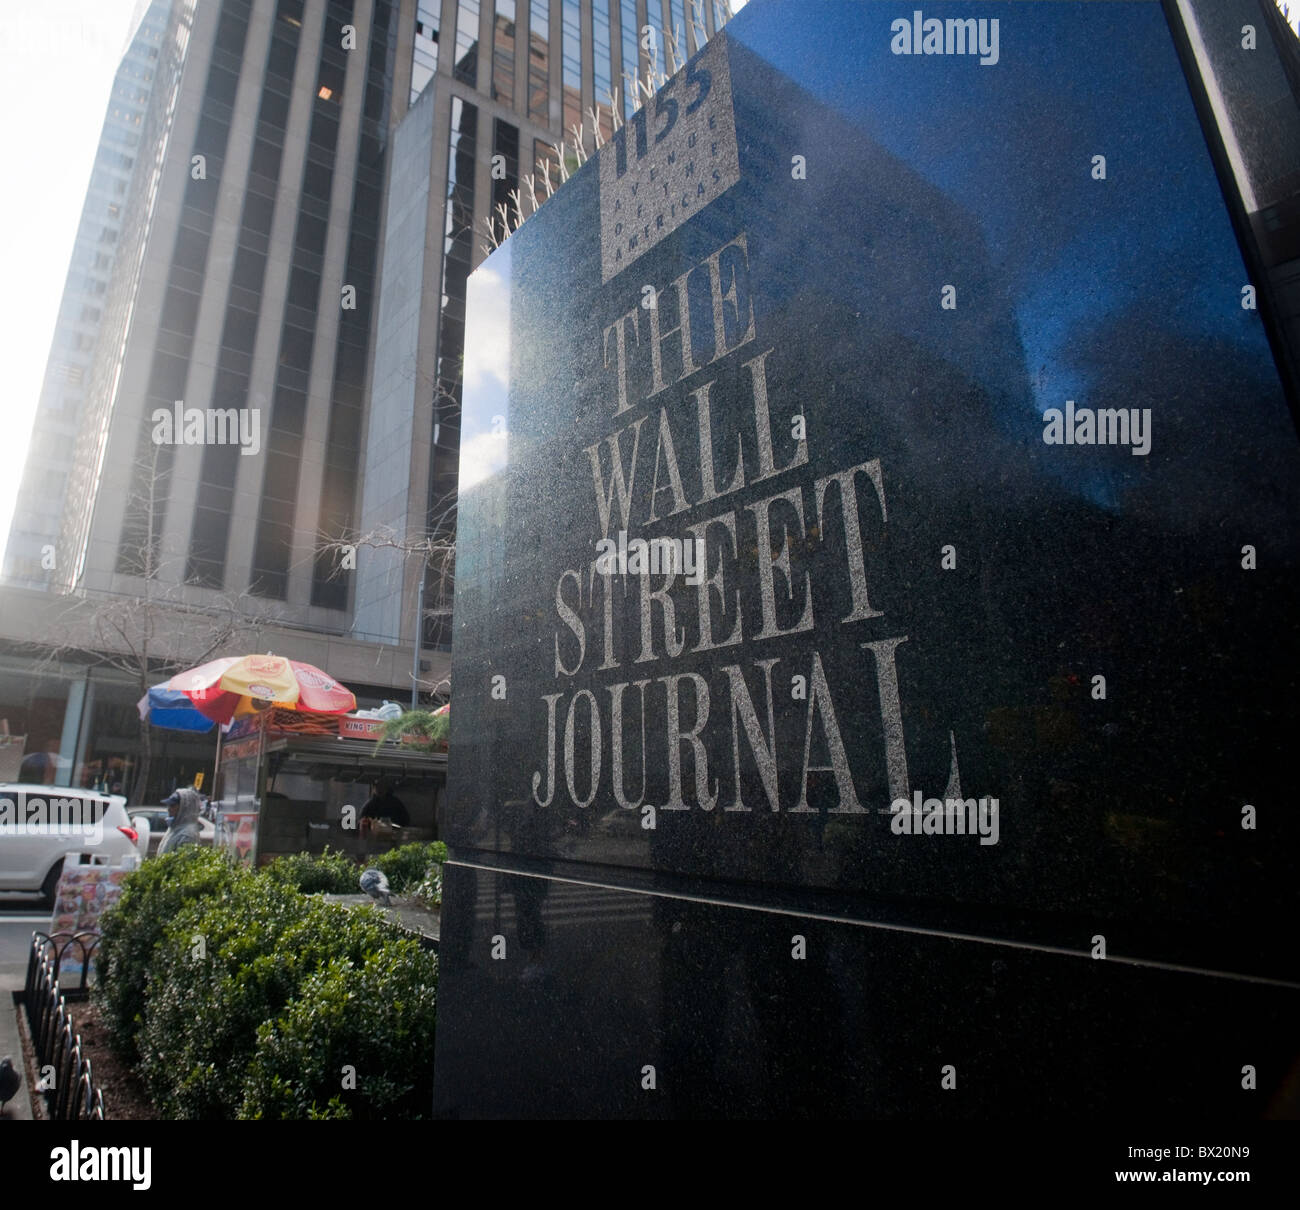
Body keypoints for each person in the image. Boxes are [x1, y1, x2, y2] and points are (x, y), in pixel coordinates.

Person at [157, 788, 204, 854]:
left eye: (172, 806)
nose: (169, 809)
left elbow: (183, 862)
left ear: (184, 807)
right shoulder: (175, 828)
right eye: (168, 805)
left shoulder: (188, 835)